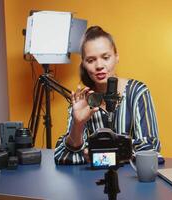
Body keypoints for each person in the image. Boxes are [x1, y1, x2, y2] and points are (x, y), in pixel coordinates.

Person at [54, 26, 164, 165]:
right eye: (91, 60)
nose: (99, 65)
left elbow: (150, 149)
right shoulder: (82, 101)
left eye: (106, 57)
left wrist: (98, 156)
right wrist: (78, 124)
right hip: (92, 183)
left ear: (116, 57)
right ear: (83, 64)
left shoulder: (137, 92)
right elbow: (62, 156)